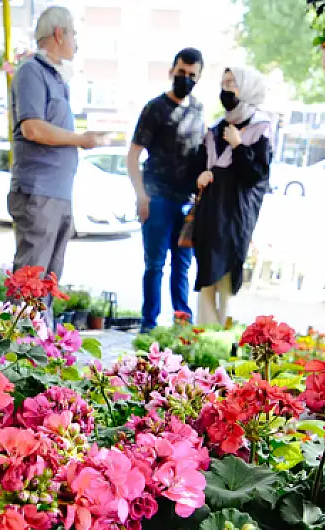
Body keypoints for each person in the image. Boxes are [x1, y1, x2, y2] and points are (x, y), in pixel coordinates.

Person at [9, 6, 103, 308]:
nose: (77, 42)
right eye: (74, 34)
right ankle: (19, 346)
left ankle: (41, 346)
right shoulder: (32, 72)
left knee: (47, 282)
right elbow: (32, 127)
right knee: (30, 279)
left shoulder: (56, 78)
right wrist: (80, 140)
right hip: (39, 193)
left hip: (56, 193)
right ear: (60, 34)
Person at [128, 48, 207, 332]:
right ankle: (148, 327)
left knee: (182, 268)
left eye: (191, 75)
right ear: (172, 71)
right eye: (181, 72)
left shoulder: (198, 110)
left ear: (199, 78)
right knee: (154, 266)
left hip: (186, 203)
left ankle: (182, 327)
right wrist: (142, 196)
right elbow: (132, 156)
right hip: (157, 198)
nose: (185, 79)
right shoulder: (154, 108)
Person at [192, 67, 273, 327]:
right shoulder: (215, 129)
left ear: (247, 89)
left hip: (235, 216)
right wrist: (200, 176)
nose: (226, 89)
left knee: (227, 277)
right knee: (206, 275)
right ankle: (202, 336)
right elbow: (198, 165)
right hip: (209, 213)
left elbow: (256, 175)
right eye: (223, 82)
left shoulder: (261, 128)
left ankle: (224, 340)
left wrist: (239, 146)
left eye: (232, 83)